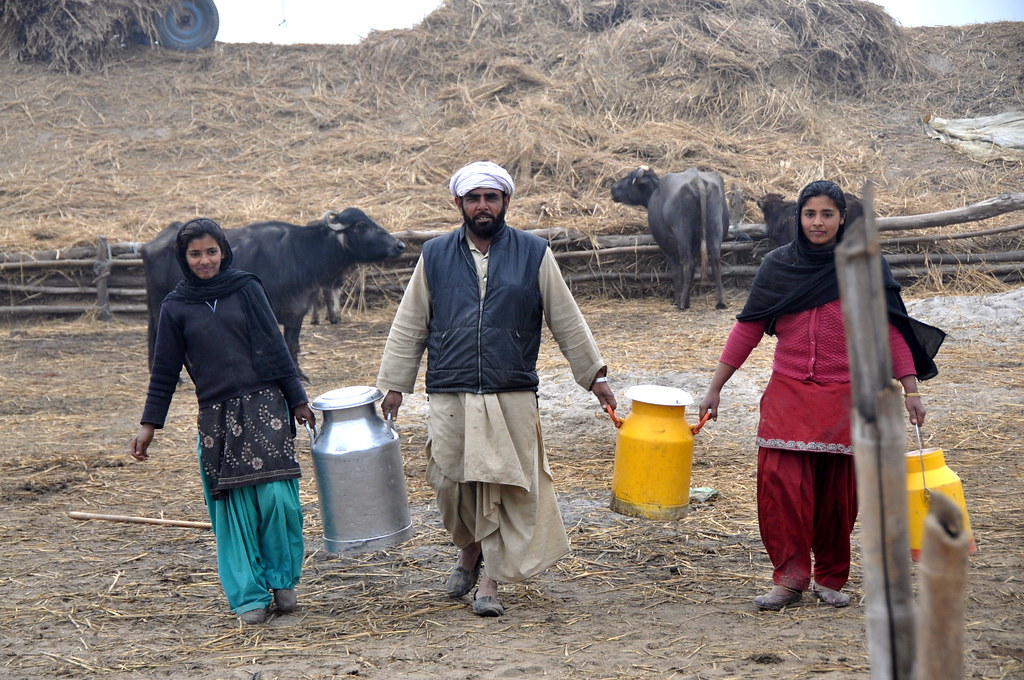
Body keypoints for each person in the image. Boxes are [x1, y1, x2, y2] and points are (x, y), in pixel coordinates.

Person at [376, 161, 617, 617]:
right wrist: (394, 384)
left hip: (510, 390)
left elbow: (566, 318)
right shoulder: (435, 255)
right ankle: (469, 549)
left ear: (506, 202)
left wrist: (595, 376)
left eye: (491, 197)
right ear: (459, 204)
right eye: (473, 198)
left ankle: (490, 582)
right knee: (451, 483)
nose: (482, 206)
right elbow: (410, 323)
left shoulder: (533, 252)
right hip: (451, 389)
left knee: (505, 486)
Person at [699, 180, 944, 611]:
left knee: (838, 495)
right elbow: (749, 327)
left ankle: (830, 577)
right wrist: (714, 387)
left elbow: (891, 330)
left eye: (827, 214)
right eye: (810, 214)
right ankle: (789, 579)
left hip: (846, 396)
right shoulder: (778, 265)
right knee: (782, 490)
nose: (818, 222)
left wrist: (910, 390)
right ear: (799, 217)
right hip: (788, 393)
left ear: (842, 218)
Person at [130, 218, 316, 625]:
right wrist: (150, 424)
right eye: (195, 253)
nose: (204, 260)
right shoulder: (175, 307)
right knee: (233, 510)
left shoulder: (247, 288)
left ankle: (283, 580)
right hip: (216, 416)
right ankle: (248, 594)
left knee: (277, 501)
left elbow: (276, 344)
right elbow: (164, 371)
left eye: (211, 251)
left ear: (224, 251)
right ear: (183, 257)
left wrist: (297, 399)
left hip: (267, 405)